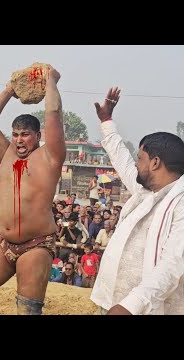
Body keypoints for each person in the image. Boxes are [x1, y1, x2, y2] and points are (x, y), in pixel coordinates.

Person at [0, 66, 66, 315]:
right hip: (4, 243)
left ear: (37, 136)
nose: (19, 140)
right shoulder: (6, 154)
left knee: (27, 310)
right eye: (16, 134)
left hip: (37, 245)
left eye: (26, 135)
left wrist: (51, 82)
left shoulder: (50, 156)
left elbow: (53, 113)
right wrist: (10, 89)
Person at [90, 87, 184, 315]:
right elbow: (120, 158)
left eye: (140, 158)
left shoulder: (180, 203)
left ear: (155, 163)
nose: (135, 164)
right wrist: (107, 122)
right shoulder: (145, 191)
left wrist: (131, 305)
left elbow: (172, 265)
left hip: (143, 308)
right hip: (112, 301)